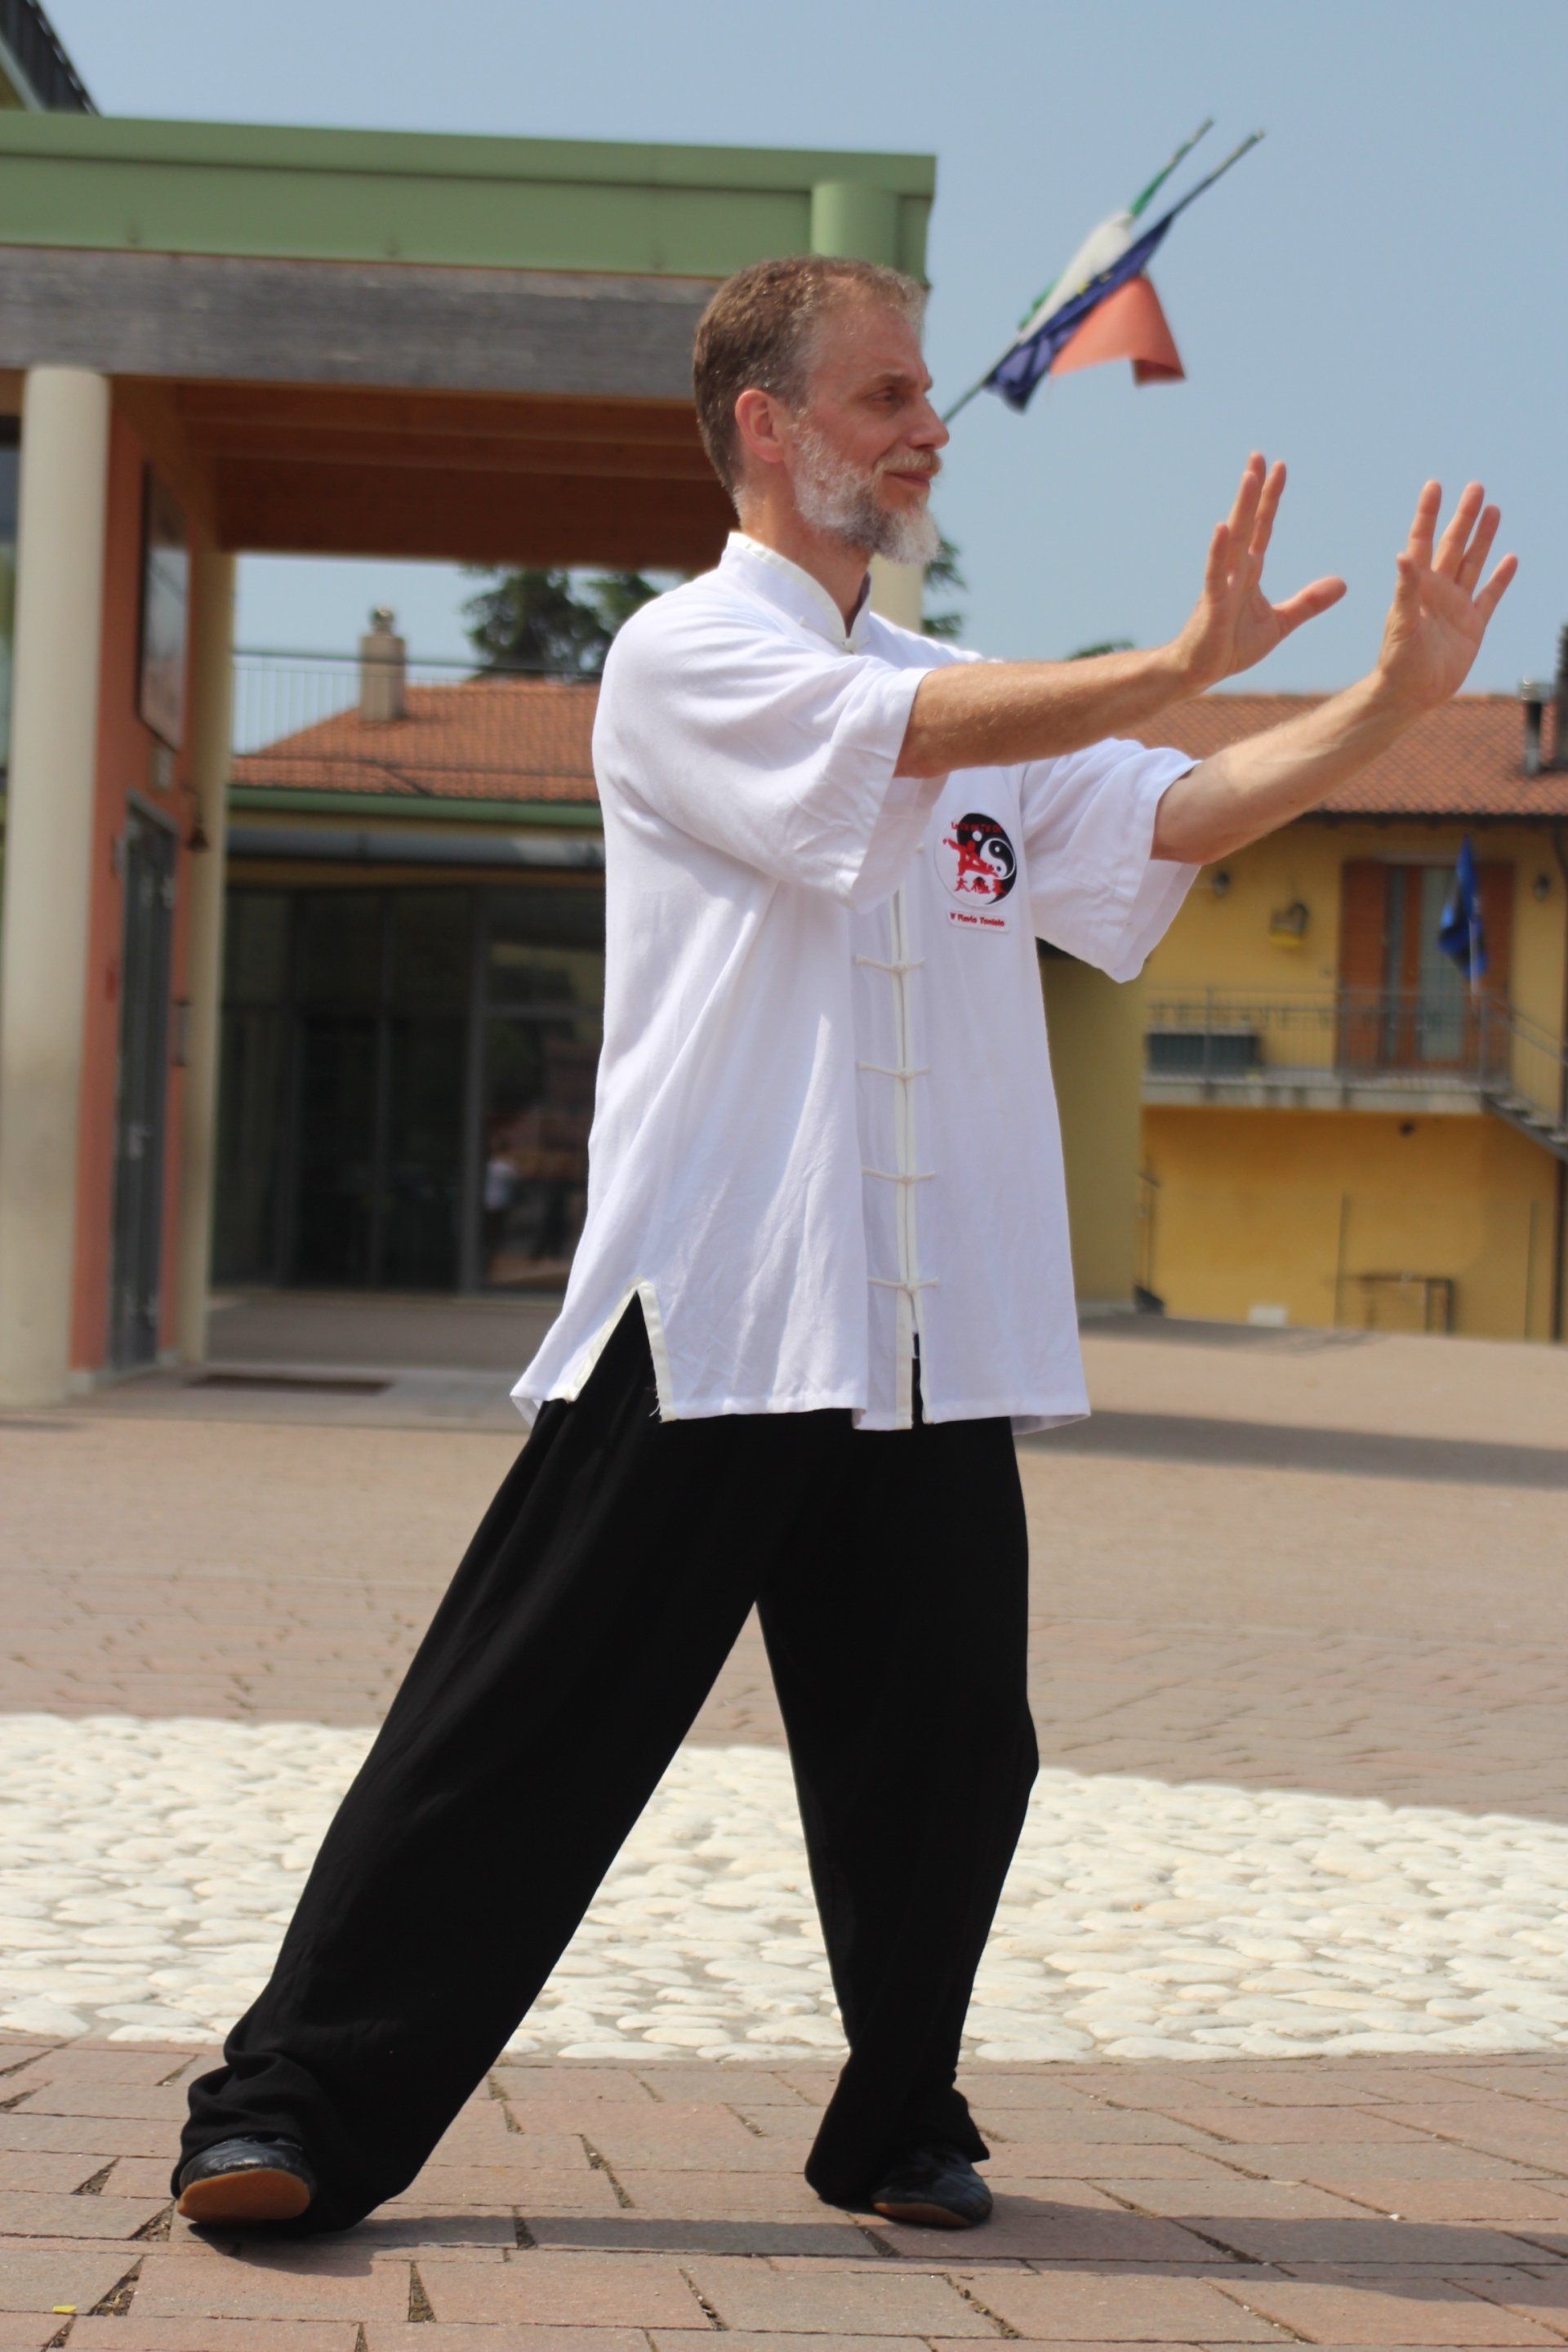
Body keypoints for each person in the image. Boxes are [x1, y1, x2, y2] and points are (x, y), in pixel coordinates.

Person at [173, 254, 1514, 2236]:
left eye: (922, 395)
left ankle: (899, 2121)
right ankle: (281, 2105)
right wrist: (1162, 659)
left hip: (923, 1321)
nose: (927, 425)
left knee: (951, 1754)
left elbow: (1165, 820)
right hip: (715, 1294)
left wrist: (1384, 706)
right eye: (884, 395)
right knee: (518, 1727)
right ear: (769, 429)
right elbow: (913, 752)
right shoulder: (689, 663)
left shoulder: (943, 685)